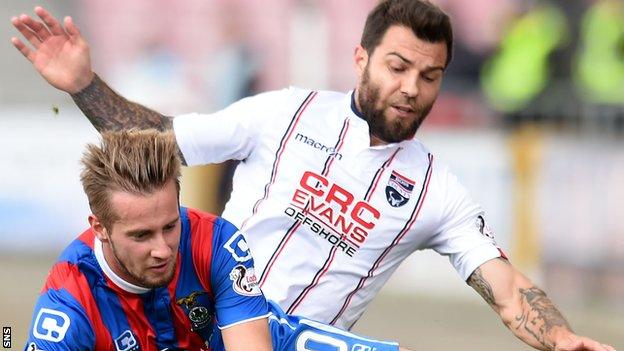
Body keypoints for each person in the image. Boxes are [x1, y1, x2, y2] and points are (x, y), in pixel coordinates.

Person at [11, 1, 615, 350]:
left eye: (429, 76)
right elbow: (160, 142)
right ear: (362, 58)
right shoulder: (284, 112)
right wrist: (85, 85)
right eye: (398, 66)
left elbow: (506, 288)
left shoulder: (439, 189)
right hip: (199, 330)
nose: (410, 88)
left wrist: (560, 337)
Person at [23, 129, 406, 351]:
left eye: (170, 226)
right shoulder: (68, 304)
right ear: (100, 227)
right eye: (141, 235)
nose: (162, 249)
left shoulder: (214, 241)